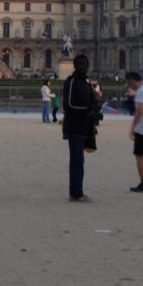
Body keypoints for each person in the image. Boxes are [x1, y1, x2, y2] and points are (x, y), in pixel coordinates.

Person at [61, 53, 101, 203]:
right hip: (74, 125)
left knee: (79, 160)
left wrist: (97, 103)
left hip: (85, 125)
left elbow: (91, 101)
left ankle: (77, 191)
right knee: (77, 160)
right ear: (75, 66)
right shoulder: (71, 82)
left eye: (85, 64)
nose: (83, 67)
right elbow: (69, 105)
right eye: (80, 64)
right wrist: (89, 108)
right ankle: (76, 193)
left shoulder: (86, 83)